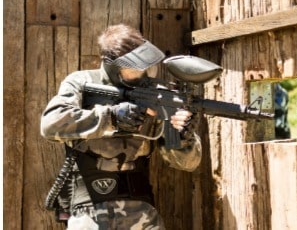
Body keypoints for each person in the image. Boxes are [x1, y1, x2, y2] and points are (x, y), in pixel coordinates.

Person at [40, 24, 202, 229]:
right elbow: (50, 124)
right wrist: (112, 117)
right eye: (132, 67)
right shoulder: (82, 82)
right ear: (110, 65)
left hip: (141, 212)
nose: (141, 73)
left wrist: (183, 138)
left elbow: (188, 164)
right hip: (89, 211)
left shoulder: (157, 93)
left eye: (144, 66)